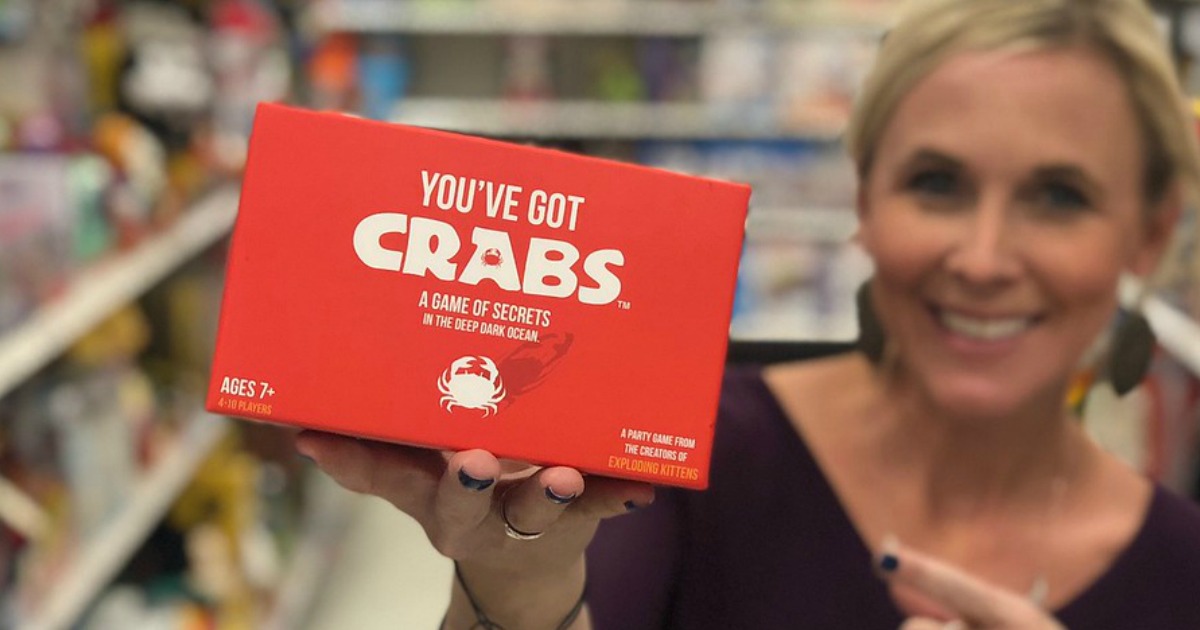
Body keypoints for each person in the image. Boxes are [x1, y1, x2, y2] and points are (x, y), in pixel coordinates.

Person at [294, 0, 1200, 627]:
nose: (984, 257)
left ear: (1149, 232)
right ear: (867, 198)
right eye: (936, 183)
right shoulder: (690, 452)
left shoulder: (1182, 572)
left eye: (1060, 197)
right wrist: (516, 589)